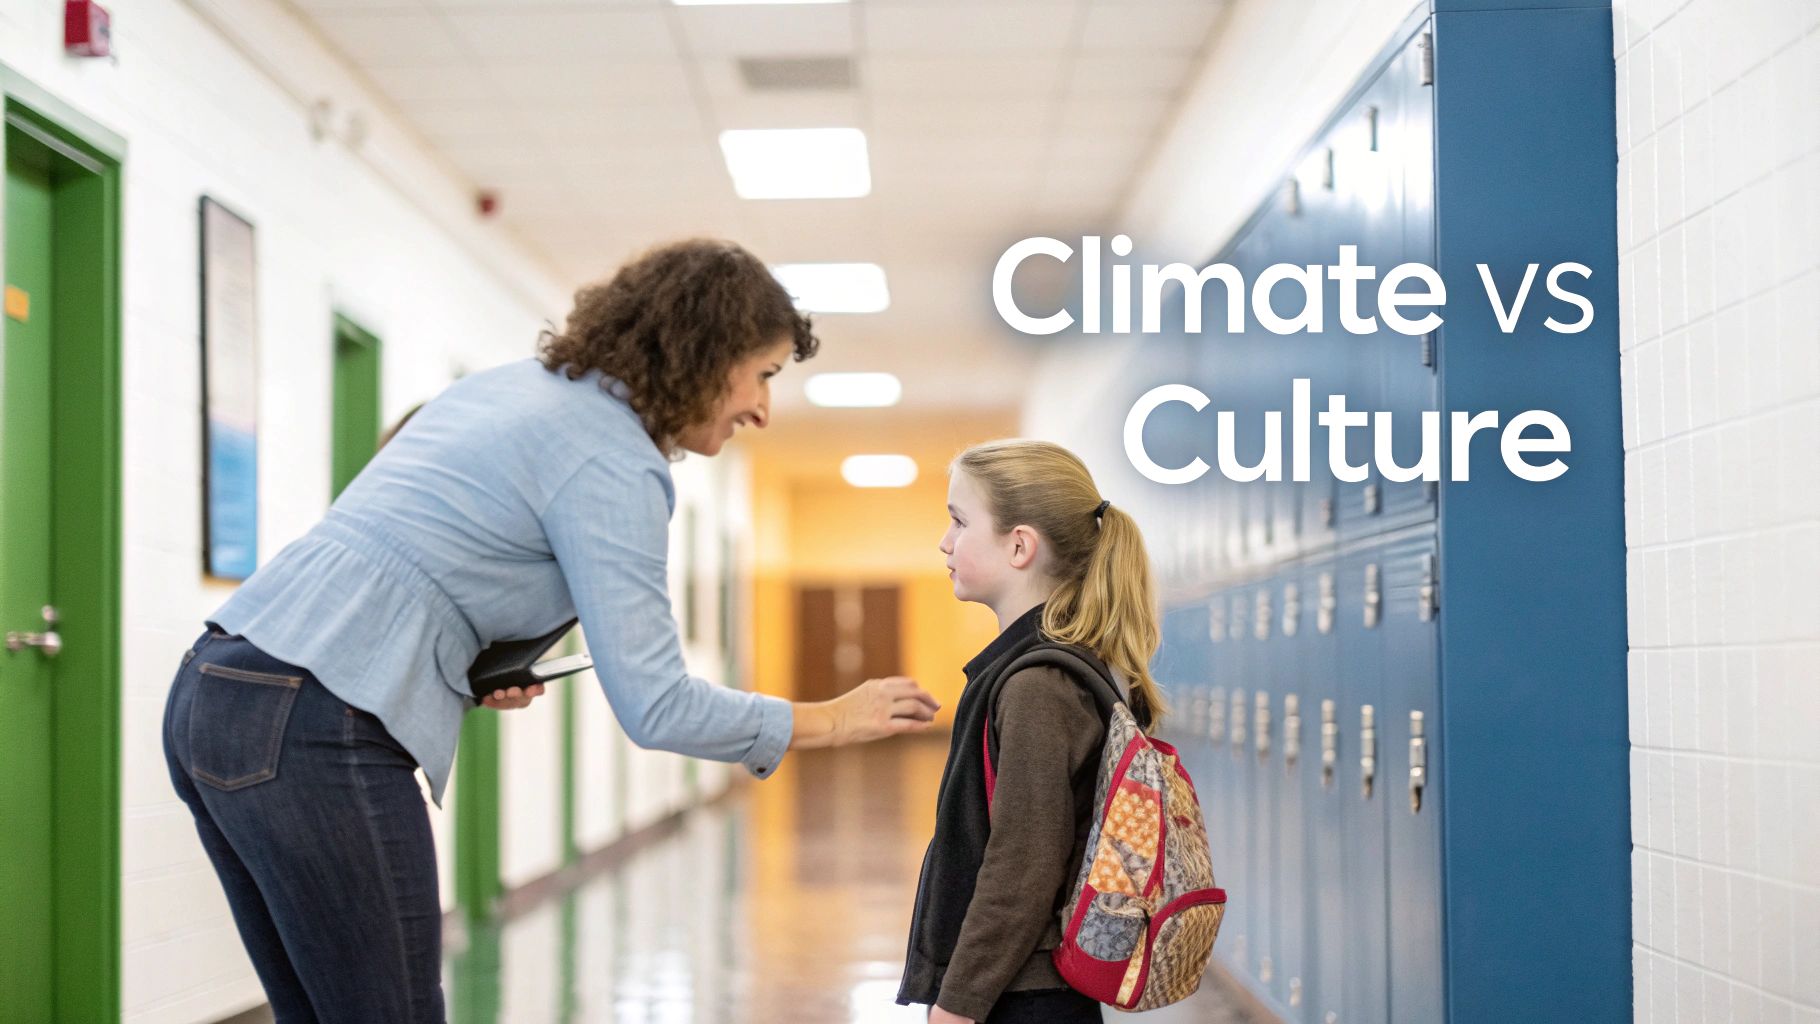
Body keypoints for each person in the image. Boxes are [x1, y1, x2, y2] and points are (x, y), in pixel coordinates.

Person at [162, 238, 940, 1023]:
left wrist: (457, 668)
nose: (764, 411)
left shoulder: (502, 389)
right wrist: (834, 718)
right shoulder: (616, 459)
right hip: (317, 725)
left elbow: (405, 556)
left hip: (217, 689)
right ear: (708, 353)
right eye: (765, 375)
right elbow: (657, 706)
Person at [897, 439, 1168, 1024]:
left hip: (1025, 995)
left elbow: (1022, 865)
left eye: (959, 521)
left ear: (1019, 545)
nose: (945, 541)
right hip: (1025, 986)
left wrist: (956, 1005)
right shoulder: (1044, 669)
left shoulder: (1039, 685)